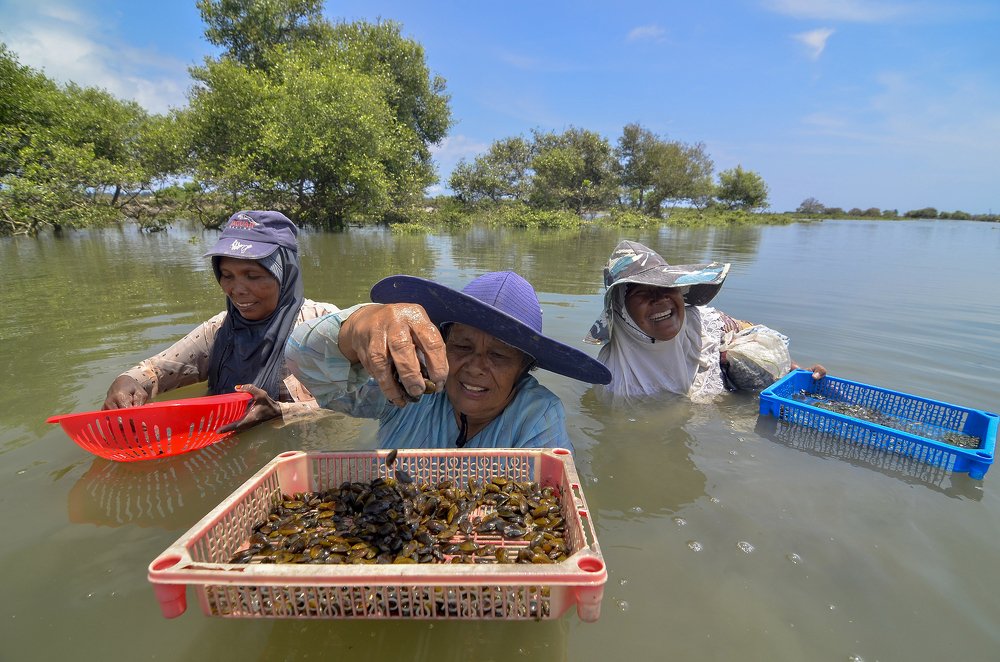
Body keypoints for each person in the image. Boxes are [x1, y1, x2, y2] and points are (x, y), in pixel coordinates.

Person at [267, 271, 612, 450]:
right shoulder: (409, 389)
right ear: (440, 345)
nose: (476, 367)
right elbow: (301, 360)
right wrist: (360, 324)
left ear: (524, 368)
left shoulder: (537, 415)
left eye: (498, 355)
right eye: (462, 346)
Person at [102, 210, 338, 430]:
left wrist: (283, 412)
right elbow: (156, 370)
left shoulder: (324, 325)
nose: (237, 289)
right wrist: (127, 380)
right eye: (226, 276)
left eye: (253, 276)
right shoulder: (220, 330)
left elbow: (363, 400)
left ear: (284, 273)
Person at [585, 240, 824, 401]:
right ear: (621, 310)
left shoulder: (704, 323)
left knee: (748, 357)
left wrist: (793, 371)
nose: (660, 298)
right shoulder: (611, 377)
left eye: (666, 286)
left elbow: (749, 330)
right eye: (640, 292)